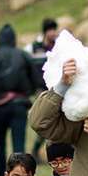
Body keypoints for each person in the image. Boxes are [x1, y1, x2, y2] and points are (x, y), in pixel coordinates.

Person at [0, 24, 38, 176]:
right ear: (14, 39)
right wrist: (27, 91)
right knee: (19, 144)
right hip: (19, 104)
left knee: (0, 143)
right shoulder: (24, 55)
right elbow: (36, 79)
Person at [25, 18, 59, 159]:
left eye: (54, 30)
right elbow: (26, 68)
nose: (53, 33)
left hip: (57, 90)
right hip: (40, 91)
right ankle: (36, 150)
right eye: (50, 30)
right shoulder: (33, 48)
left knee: (55, 121)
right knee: (42, 120)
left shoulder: (59, 47)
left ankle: (55, 152)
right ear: (45, 32)